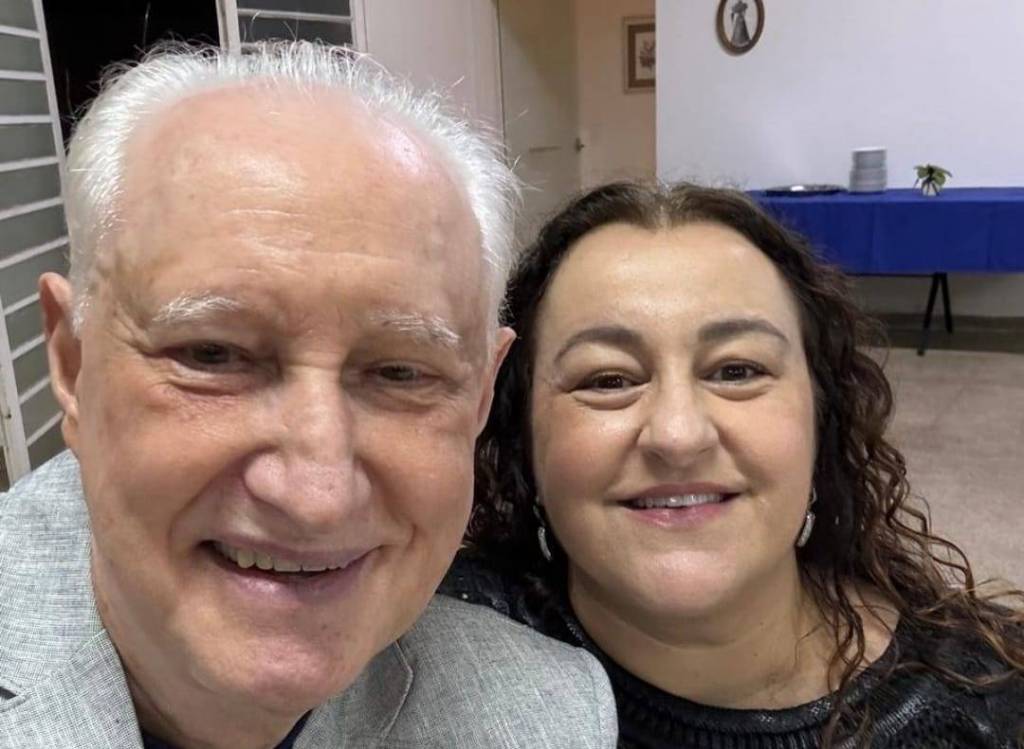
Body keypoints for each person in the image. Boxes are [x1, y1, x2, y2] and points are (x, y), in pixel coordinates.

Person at [0, 43, 618, 749]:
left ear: (481, 396)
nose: (315, 495)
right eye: (213, 355)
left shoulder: (549, 715)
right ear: (73, 364)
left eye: (400, 373)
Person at [442, 181, 1024, 748]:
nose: (678, 435)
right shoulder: (430, 656)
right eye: (609, 379)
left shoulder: (990, 702)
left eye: (736, 371)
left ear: (822, 419)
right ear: (522, 437)